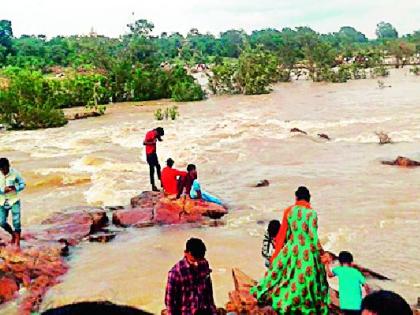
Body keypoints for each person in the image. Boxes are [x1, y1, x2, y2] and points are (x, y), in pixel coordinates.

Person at [250, 186, 330, 314]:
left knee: (288, 276)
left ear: (296, 198)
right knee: (309, 278)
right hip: (307, 250)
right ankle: (304, 303)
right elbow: (313, 237)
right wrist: (322, 252)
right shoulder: (312, 213)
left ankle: (284, 299)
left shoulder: (290, 211)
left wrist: (279, 254)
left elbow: (284, 234)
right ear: (309, 199)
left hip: (292, 247)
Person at [165, 238, 216, 315]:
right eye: (194, 260)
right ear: (186, 253)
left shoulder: (204, 263)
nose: (197, 263)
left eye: (200, 259)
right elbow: (170, 302)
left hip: (204, 310)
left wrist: (213, 310)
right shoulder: (176, 273)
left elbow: (208, 290)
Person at [0, 158, 25, 247]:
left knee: (16, 222)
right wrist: (3, 190)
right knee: (1, 222)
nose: (3, 171)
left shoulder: (15, 173)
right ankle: (12, 234)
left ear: (8, 166)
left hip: (14, 200)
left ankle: (18, 243)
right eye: (1, 170)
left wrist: (16, 188)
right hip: (2, 202)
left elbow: (23, 184)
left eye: (4, 169)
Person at [143, 127, 164, 192]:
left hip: (153, 153)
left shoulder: (155, 134)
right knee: (152, 170)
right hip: (149, 154)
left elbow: (157, 137)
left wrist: (159, 139)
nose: (158, 136)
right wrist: (152, 142)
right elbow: (144, 143)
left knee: (158, 166)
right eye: (159, 135)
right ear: (157, 132)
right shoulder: (149, 134)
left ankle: (161, 182)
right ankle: (153, 186)